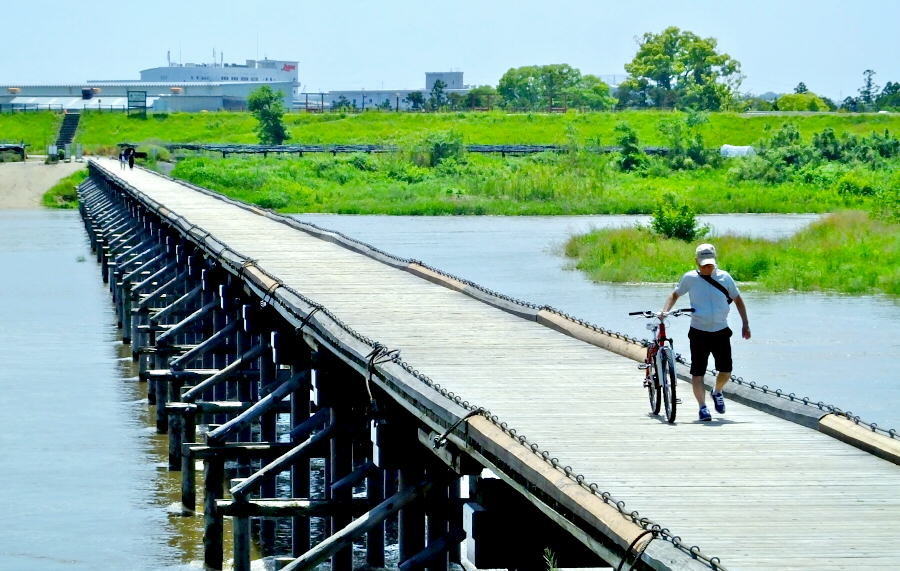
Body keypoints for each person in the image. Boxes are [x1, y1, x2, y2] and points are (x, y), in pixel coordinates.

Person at [661, 243, 750, 421]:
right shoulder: (690, 278)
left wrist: (745, 324)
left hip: (721, 330)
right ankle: (702, 407)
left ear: (715, 261)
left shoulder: (725, 277)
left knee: (726, 370)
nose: (706, 267)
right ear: (696, 262)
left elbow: (738, 300)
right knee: (697, 372)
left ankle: (717, 392)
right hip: (698, 331)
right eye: (703, 264)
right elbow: (675, 294)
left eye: (709, 264)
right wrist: (665, 311)